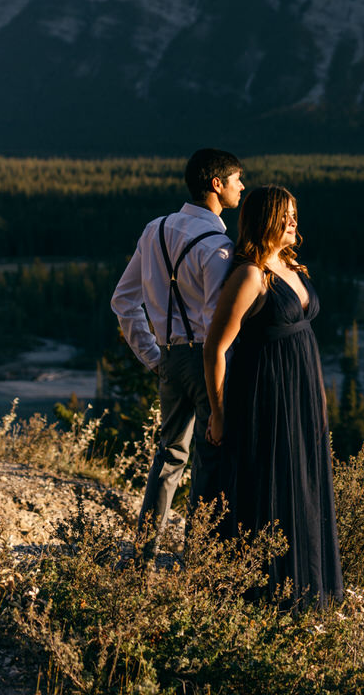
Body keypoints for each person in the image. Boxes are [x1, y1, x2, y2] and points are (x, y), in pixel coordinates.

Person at [204, 185, 343, 605]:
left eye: (295, 213)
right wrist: (219, 412)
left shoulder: (288, 265)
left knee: (303, 482)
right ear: (265, 218)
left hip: (299, 391)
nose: (293, 221)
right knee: (271, 485)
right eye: (284, 214)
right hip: (265, 393)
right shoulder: (249, 275)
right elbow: (216, 348)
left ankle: (309, 587)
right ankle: (268, 596)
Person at [111, 148, 244, 563]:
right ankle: (198, 562)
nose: (242, 187)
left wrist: (154, 356)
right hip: (206, 360)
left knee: (168, 456)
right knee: (210, 458)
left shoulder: (155, 229)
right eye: (237, 179)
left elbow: (123, 300)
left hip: (169, 358)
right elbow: (214, 324)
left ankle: (141, 556)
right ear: (216, 184)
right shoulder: (219, 245)